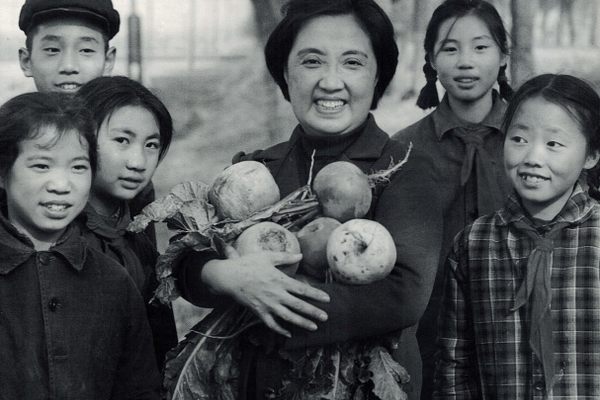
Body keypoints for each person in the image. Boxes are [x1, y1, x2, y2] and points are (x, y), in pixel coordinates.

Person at [173, 0, 440, 399]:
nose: (331, 82)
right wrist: (225, 276)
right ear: (285, 72)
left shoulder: (405, 169)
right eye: (312, 62)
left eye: (352, 63)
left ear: (378, 74)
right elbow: (191, 263)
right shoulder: (255, 169)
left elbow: (402, 295)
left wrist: (269, 303)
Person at [435, 73, 600, 398]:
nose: (533, 157)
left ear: (592, 155)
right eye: (519, 139)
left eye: (553, 144)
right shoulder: (473, 244)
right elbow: (454, 363)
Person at [0, 91, 160, 399]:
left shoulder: (114, 282)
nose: (61, 186)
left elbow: (140, 390)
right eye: (41, 166)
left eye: (77, 167)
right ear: (3, 173)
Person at [391, 1, 513, 397]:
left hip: (519, 333)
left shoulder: (530, 140)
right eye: (450, 48)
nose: (465, 62)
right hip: (430, 339)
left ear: (503, 55)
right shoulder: (402, 151)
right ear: (430, 59)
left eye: (480, 47)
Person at [17, 0, 155, 227]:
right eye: (52, 50)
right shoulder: (8, 141)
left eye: (86, 50)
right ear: (26, 60)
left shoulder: (128, 162)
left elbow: (143, 259)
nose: (69, 66)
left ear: (108, 60)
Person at [76, 76, 178, 371]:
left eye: (151, 145)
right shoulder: (57, 238)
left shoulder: (137, 236)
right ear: (82, 138)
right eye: (122, 140)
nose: (138, 161)